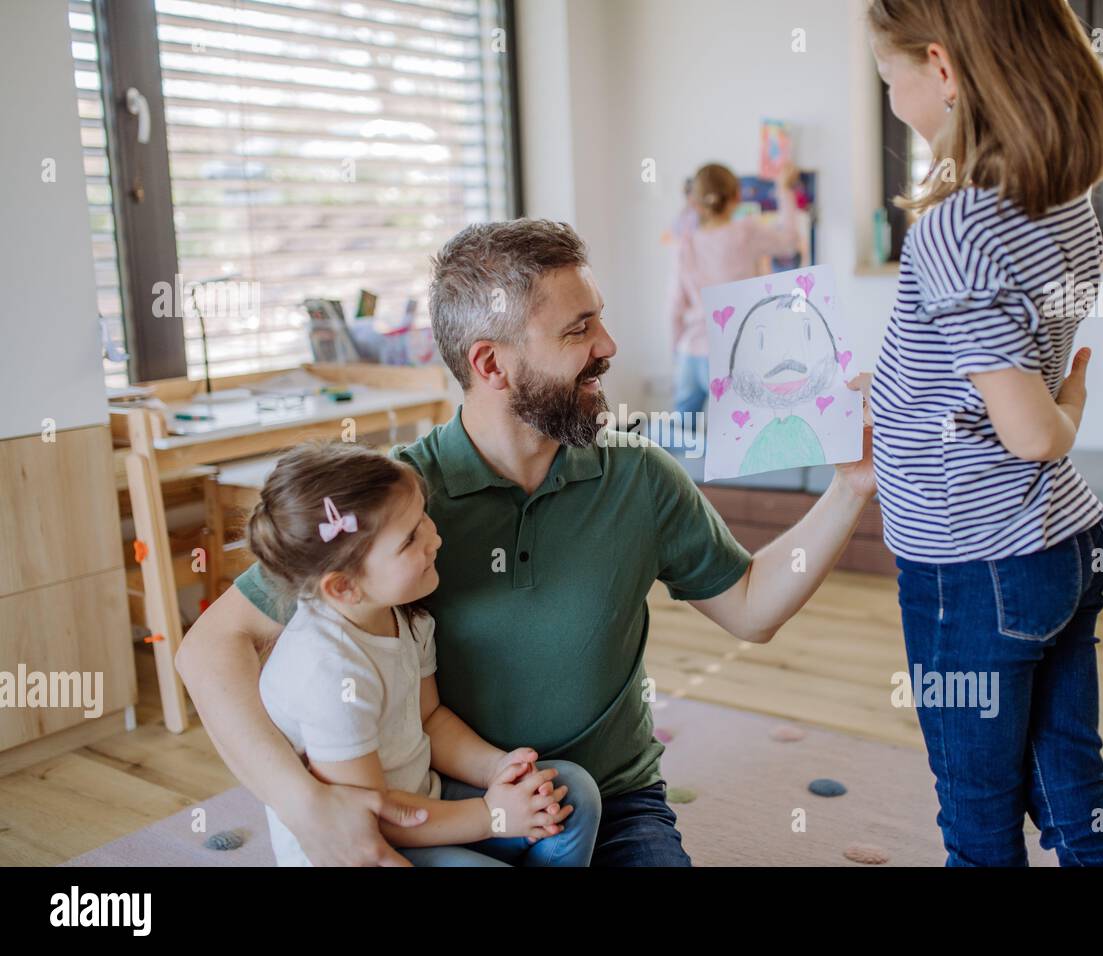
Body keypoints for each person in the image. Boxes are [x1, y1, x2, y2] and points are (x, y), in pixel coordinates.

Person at [176, 217, 876, 867]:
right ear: (491, 364)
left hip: (606, 797)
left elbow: (751, 607)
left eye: (599, 318)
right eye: (579, 330)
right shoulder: (389, 504)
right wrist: (308, 805)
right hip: (438, 797)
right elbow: (210, 648)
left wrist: (849, 489)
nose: (609, 346)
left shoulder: (639, 477)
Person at [866, 0, 1103, 866]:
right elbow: (996, 356)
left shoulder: (957, 224)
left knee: (979, 823)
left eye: (890, 78)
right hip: (1063, 544)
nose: (890, 99)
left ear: (943, 69)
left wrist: (1069, 409)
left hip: (973, 564)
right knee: (1075, 799)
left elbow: (1031, 431)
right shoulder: (1060, 199)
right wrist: (895, 391)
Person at [245, 441, 599, 866]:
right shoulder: (329, 673)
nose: (434, 537)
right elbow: (373, 818)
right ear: (344, 586)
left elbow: (429, 718)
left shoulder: (406, 616)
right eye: (410, 538)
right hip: (373, 843)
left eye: (423, 517)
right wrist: (491, 816)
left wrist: (497, 769)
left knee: (570, 791)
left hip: (425, 801)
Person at [667, 162, 803, 417]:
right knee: (736, 435)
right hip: (729, 355)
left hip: (689, 354)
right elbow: (790, 242)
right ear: (737, 197)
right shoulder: (745, 232)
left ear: (696, 203)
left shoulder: (685, 244)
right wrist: (784, 189)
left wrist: (676, 355)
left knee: (682, 439)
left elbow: (675, 307)